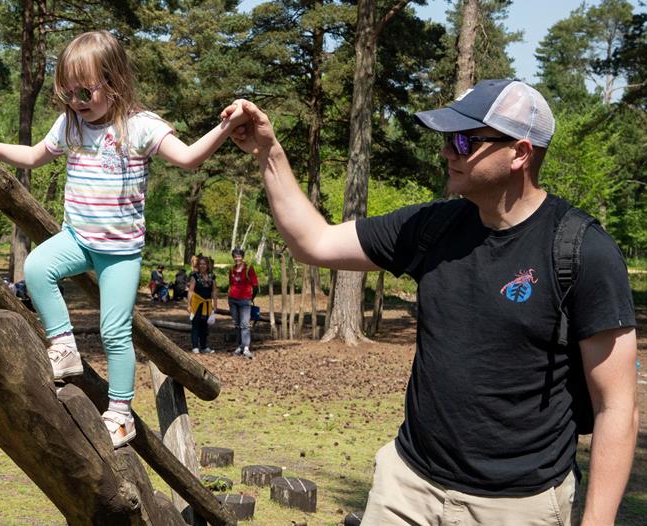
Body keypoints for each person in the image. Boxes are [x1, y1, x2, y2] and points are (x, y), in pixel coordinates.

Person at [223, 80, 637, 525]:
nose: (447, 152)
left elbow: (617, 406)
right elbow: (315, 242)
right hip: (407, 489)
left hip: (518, 506)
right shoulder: (432, 228)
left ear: (520, 153)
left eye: (464, 140)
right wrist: (269, 152)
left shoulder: (582, 251)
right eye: (446, 139)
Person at [0, 30, 247, 448]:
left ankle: (120, 414)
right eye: (68, 92)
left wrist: (226, 125)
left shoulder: (140, 126)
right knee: (37, 267)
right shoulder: (71, 124)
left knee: (114, 331)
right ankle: (64, 346)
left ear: (114, 82)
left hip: (121, 252)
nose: (76, 101)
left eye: (85, 90)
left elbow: (189, 159)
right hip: (78, 238)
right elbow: (35, 155)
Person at [227, 247, 258, 358]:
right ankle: (239, 345)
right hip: (233, 300)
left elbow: (255, 286)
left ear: (242, 257)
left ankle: (246, 348)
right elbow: (230, 284)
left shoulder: (249, 268)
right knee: (236, 324)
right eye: (235, 256)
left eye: (239, 256)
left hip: (245, 301)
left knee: (245, 324)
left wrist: (250, 297)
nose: (237, 258)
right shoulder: (231, 269)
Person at [188, 255, 218, 354]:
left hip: (207, 304)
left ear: (207, 265)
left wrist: (215, 304)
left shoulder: (212, 276)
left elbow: (214, 291)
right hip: (197, 303)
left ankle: (204, 346)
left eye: (204, 264)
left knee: (204, 325)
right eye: (200, 264)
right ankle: (195, 346)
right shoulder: (194, 276)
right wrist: (189, 304)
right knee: (196, 324)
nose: (202, 266)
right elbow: (191, 291)